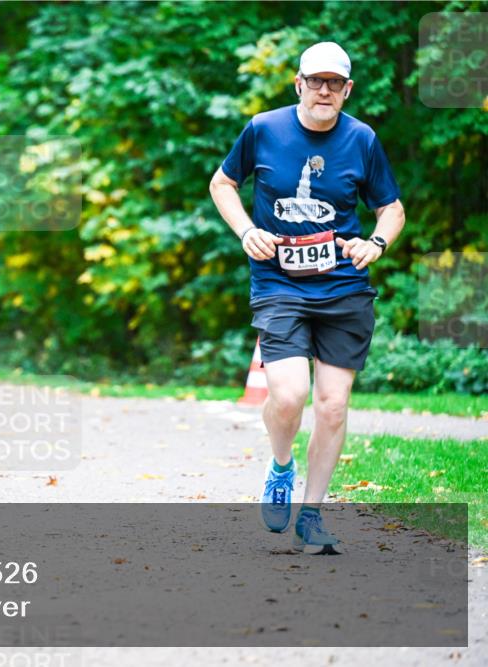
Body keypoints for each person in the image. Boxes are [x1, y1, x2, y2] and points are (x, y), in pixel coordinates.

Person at [209, 42, 405, 554]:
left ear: (347, 90)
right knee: (291, 394)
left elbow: (393, 208)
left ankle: (313, 514)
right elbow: (223, 183)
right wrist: (246, 230)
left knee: (334, 406)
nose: (324, 90)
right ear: (298, 83)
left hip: (344, 287)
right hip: (280, 284)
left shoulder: (362, 139)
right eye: (315, 81)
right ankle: (280, 467)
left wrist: (376, 242)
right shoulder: (264, 129)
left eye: (334, 83)